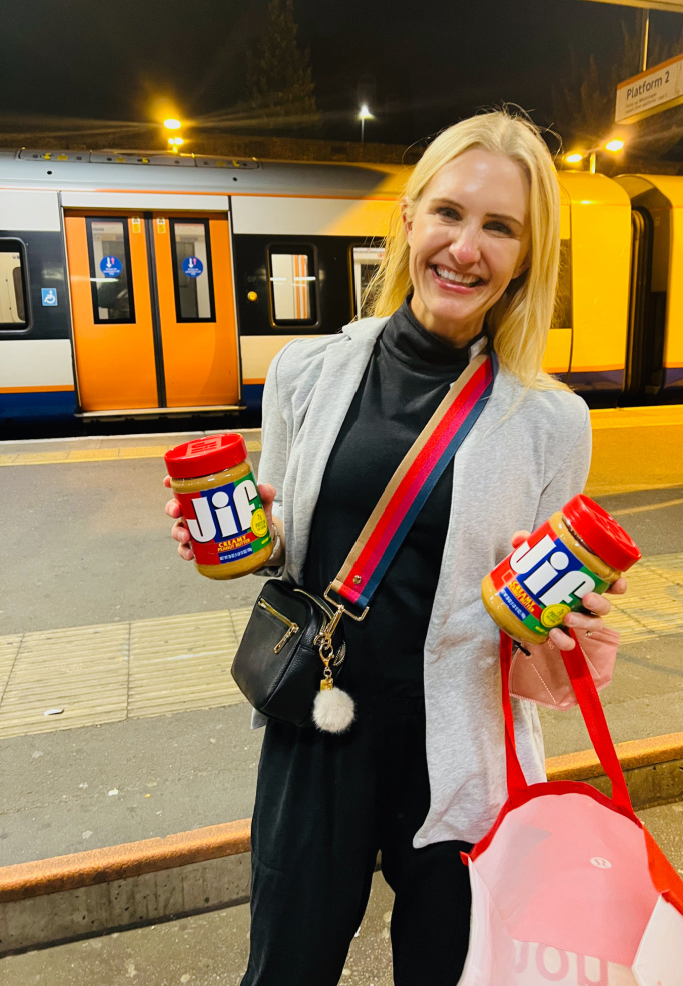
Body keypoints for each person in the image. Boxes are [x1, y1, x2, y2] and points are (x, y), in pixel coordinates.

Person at [165, 109, 627, 986]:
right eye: (448, 213)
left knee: (448, 973)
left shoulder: (552, 421)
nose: (466, 247)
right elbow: (279, 543)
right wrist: (230, 534)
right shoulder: (304, 374)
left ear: (526, 256)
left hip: (460, 752)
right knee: (285, 969)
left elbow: (541, 611)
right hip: (317, 729)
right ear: (409, 219)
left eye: (499, 227)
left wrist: (570, 624)